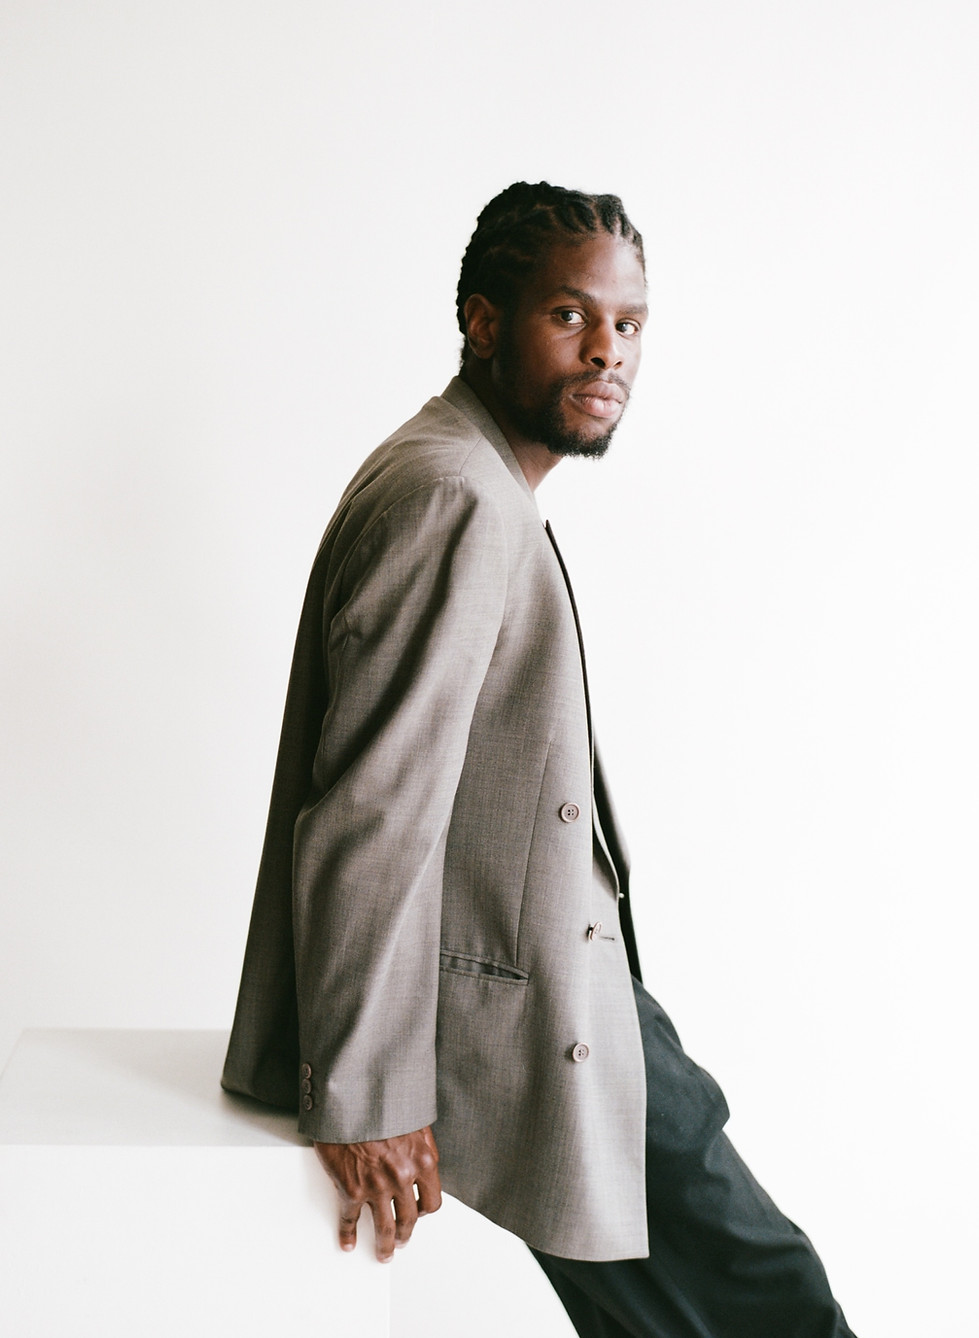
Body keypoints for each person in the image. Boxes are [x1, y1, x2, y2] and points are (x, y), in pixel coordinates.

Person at [222, 181, 857, 1338]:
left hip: (574, 994)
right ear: (481, 321)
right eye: (569, 317)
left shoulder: (464, 473)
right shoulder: (456, 494)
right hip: (520, 1019)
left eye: (628, 325)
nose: (606, 352)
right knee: (775, 1304)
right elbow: (374, 805)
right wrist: (369, 1095)